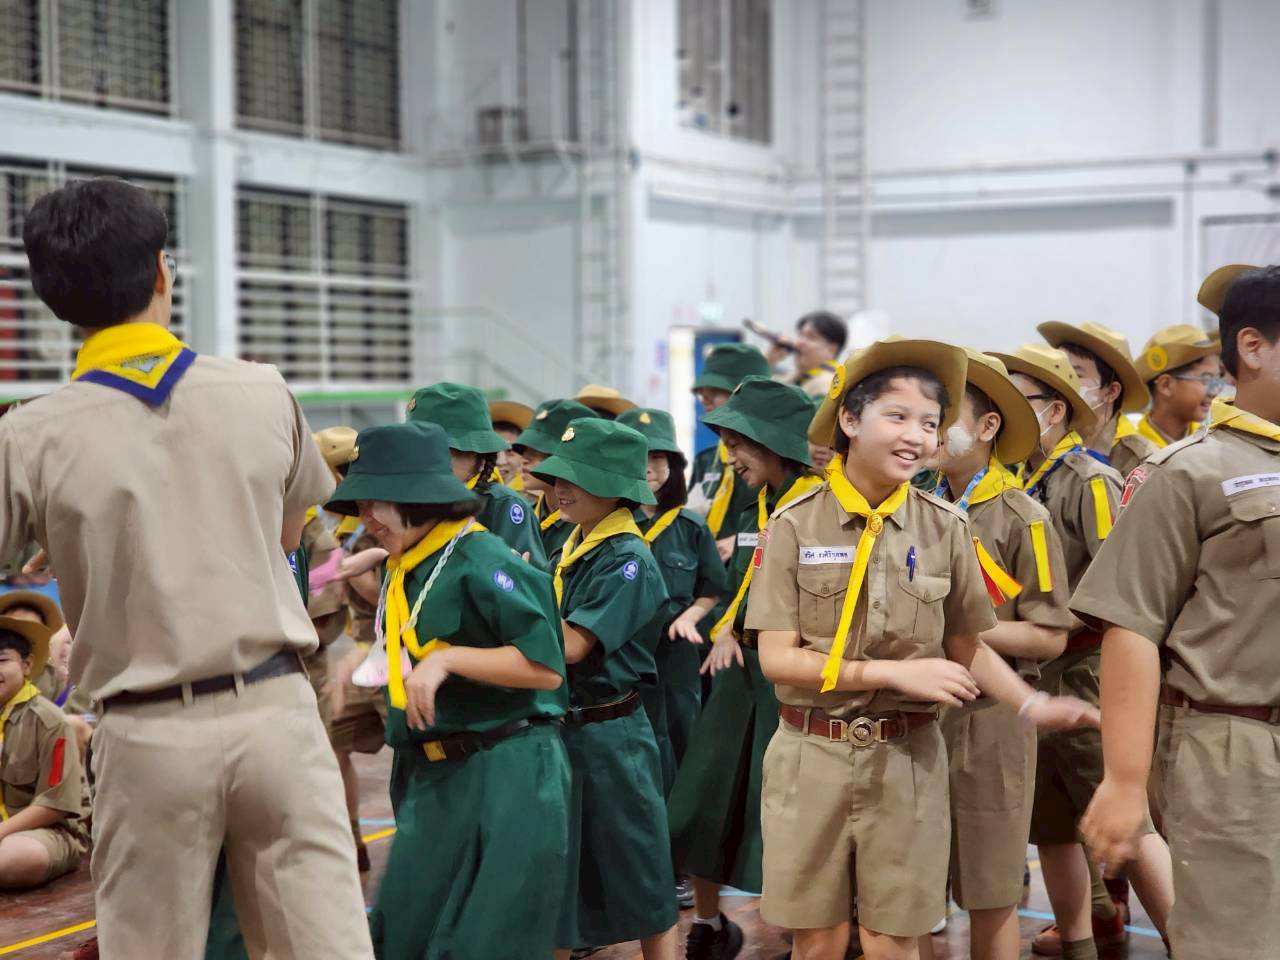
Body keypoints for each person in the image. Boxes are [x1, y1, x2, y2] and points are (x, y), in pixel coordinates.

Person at [4, 177, 371, 957]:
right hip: (275, 711)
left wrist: (85, 544)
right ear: (161, 271)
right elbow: (288, 533)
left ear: (52, 300)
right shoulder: (262, 390)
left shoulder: (31, 434)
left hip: (145, 733)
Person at [745, 338, 1097, 960]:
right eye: (898, 416)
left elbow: (966, 643)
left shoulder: (946, 527)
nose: (917, 436)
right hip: (810, 753)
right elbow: (777, 659)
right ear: (850, 420)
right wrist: (891, 673)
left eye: (931, 423)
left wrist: (1030, 704)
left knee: (895, 940)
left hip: (908, 759)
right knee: (818, 941)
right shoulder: (795, 523)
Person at [1077, 264, 1280, 960]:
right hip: (1235, 752)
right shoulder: (1188, 472)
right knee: (1238, 943)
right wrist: (1124, 783)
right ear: (1252, 347)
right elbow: (1131, 625)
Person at [325, 420, 570, 959]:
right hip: (435, 777)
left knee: (485, 942)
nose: (365, 520)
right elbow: (416, 637)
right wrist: (363, 661)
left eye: (374, 505)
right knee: (405, 934)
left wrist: (447, 660)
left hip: (504, 769)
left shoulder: (484, 562)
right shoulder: (407, 564)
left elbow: (545, 668)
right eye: (360, 506)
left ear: (416, 500)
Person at [991, 344, 1172, 959]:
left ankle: (1187, 940)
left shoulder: (1091, 481)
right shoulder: (1020, 480)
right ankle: (1086, 933)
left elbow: (1120, 583)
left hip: (1085, 670)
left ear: (1056, 410)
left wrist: (1050, 627)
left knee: (1127, 819)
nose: (1008, 413)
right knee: (1053, 826)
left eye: (1023, 400)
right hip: (1037, 671)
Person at [667, 376, 823, 959]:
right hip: (740, 675)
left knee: (787, 817)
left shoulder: (819, 506)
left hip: (793, 680)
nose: (730, 457)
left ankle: (814, 935)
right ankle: (710, 924)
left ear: (775, 442)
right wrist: (731, 627)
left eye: (740, 444)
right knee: (703, 799)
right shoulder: (760, 501)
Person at [933, 350, 1074, 960]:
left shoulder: (1024, 518)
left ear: (988, 427)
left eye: (945, 416)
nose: (931, 430)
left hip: (991, 719)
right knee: (913, 887)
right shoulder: (917, 507)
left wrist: (961, 632)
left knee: (990, 888)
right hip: (920, 713)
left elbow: (1049, 635)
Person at [531, 419, 677, 960]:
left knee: (644, 877)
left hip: (612, 736)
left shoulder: (628, 560)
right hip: (564, 729)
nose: (560, 488)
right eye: (558, 477)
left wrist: (517, 603)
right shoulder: (572, 544)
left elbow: (572, 645)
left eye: (577, 479)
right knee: (558, 879)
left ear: (616, 488)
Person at [407, 382, 547, 568]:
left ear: (476, 453)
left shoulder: (501, 505)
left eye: (440, 452)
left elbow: (527, 579)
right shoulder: (412, 502)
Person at [0, 614, 90, 891]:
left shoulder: (49, 720)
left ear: (27, 665)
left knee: (12, 858)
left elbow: (54, 805)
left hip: (47, 832)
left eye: (2, 660)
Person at [1038, 321, 1156, 478]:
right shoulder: (1042, 444)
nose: (1062, 382)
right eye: (1058, 372)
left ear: (1111, 392)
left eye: (1076, 375)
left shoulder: (1140, 461)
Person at [687, 343, 772, 546]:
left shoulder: (772, 459)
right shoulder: (706, 460)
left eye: (715, 392)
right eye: (702, 394)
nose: (705, 401)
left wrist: (742, 541)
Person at [514, 399, 601, 558]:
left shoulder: (586, 526)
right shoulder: (521, 513)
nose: (525, 459)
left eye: (538, 452)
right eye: (524, 450)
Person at [1133, 325, 1223, 447]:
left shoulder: (1211, 445)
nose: (1214, 392)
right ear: (1165, 385)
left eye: (1216, 378)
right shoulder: (1129, 451)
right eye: (1205, 379)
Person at [763, 310, 848, 398]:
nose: (799, 342)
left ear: (832, 349)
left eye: (811, 337)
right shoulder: (797, 377)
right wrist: (769, 360)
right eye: (801, 335)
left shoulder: (830, 385)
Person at [489, 398, 535, 491]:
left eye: (510, 451)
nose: (500, 461)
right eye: (492, 450)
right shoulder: (466, 491)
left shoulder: (537, 496)